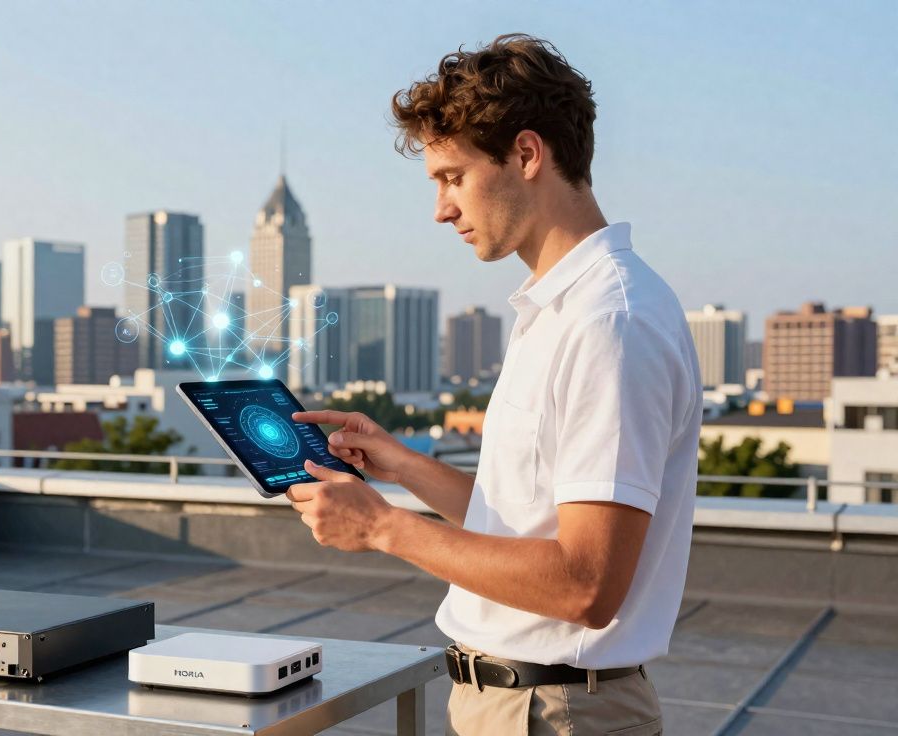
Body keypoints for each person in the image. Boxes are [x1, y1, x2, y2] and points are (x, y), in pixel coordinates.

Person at [286, 34, 701, 735]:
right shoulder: (558, 309)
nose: (441, 209)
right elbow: (522, 522)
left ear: (527, 155)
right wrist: (402, 464)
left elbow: (585, 585)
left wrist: (382, 527)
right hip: (519, 704)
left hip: (555, 711)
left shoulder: (609, 324)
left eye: (452, 176)